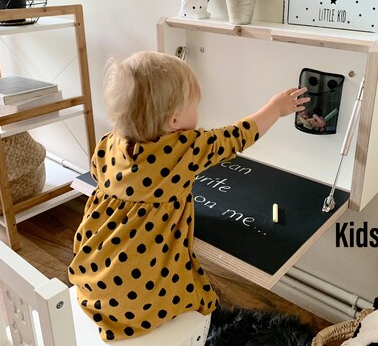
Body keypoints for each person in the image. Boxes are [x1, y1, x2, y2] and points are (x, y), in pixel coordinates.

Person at [68, 51, 309, 342]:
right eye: (195, 106)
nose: (199, 113)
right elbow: (238, 136)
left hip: (95, 276)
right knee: (193, 290)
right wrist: (276, 107)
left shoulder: (109, 143)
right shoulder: (185, 148)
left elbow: (99, 175)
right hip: (137, 298)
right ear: (173, 120)